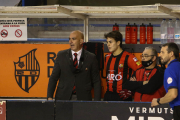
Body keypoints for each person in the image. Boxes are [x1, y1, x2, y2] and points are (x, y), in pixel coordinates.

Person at [47, 30, 101, 101]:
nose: (70, 42)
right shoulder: (61, 55)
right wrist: (49, 97)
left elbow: (96, 80)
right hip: (63, 97)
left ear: (81, 41)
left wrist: (97, 101)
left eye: (73, 39)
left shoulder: (91, 57)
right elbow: (53, 77)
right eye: (69, 39)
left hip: (83, 98)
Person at [103, 31, 142, 101]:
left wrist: (132, 90)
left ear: (118, 42)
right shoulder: (107, 57)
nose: (108, 44)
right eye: (107, 42)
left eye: (110, 42)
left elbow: (142, 72)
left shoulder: (129, 57)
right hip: (108, 95)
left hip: (122, 95)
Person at [151, 42, 180, 120]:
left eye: (162, 52)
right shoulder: (178, 66)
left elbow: (173, 94)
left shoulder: (170, 69)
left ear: (171, 54)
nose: (160, 55)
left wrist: (158, 101)